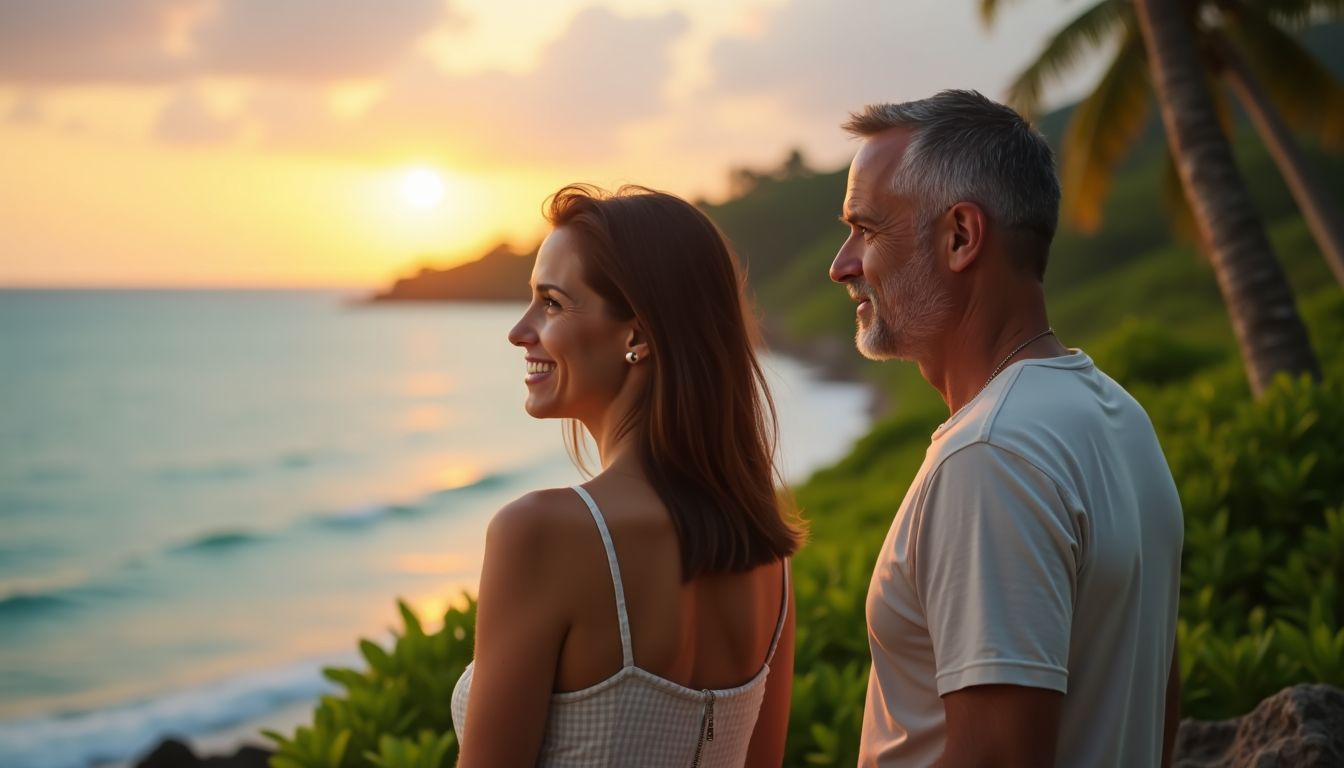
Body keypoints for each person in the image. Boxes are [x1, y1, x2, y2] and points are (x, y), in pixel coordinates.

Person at [829, 90, 1184, 767]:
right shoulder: (1120, 416)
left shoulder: (989, 457)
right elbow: (1156, 698)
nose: (842, 264)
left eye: (867, 230)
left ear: (960, 236)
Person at [451, 184, 801, 767]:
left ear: (636, 336)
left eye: (553, 303)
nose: (520, 330)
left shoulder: (542, 532)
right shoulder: (765, 551)